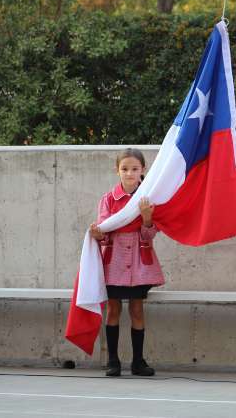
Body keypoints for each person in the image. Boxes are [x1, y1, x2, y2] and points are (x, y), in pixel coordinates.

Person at [89, 148, 164, 377]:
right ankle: (113, 360)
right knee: (113, 309)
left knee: (137, 310)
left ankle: (138, 361)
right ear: (117, 170)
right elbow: (104, 231)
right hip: (114, 263)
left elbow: (150, 235)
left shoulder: (148, 198)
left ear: (143, 170)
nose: (129, 173)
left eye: (134, 169)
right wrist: (97, 233)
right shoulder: (108, 199)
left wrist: (147, 217)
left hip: (140, 264)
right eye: (124, 169)